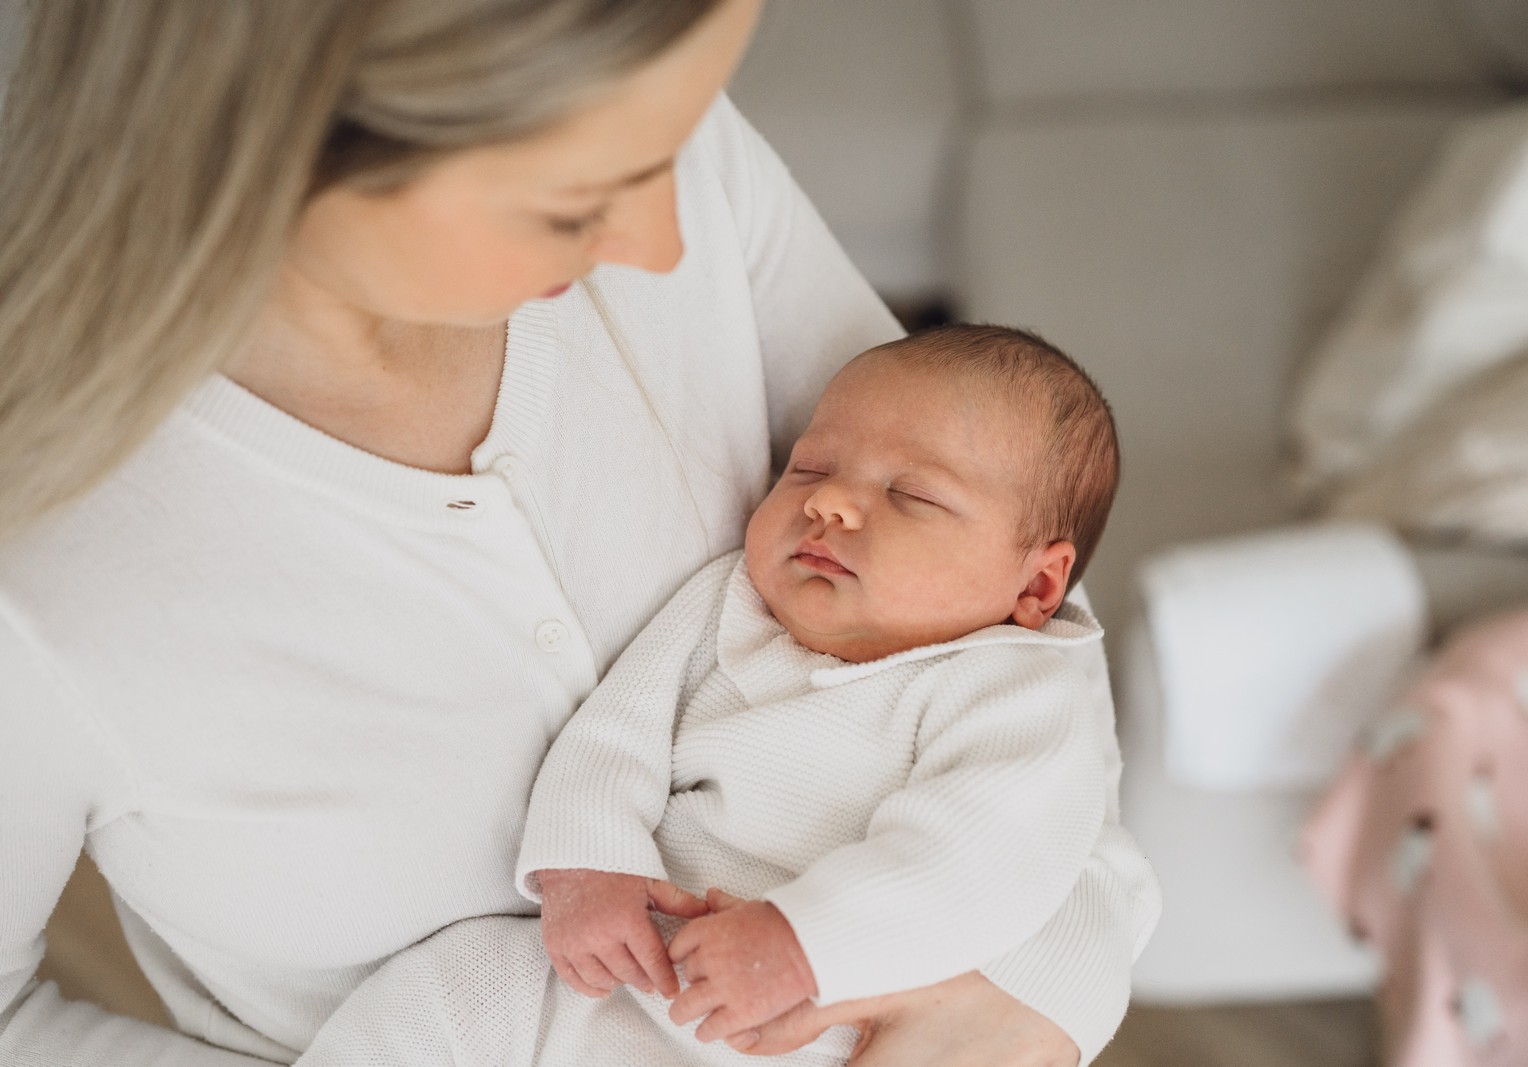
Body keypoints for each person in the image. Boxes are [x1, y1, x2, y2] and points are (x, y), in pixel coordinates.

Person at [0, 2, 1160, 1065]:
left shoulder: (670, 164)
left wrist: (1034, 997)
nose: (661, 246)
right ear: (288, 141)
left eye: (671, 144)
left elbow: (1008, 624)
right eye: (570, 199)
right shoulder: (45, 560)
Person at [294, 325, 1126, 1066]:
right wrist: (590, 862)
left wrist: (807, 944)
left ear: (1039, 583)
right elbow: (617, 733)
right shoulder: (727, 602)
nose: (829, 502)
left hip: (822, 1017)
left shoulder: (1017, 688)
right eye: (810, 467)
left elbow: (981, 859)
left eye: (911, 496)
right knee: (457, 984)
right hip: (641, 962)